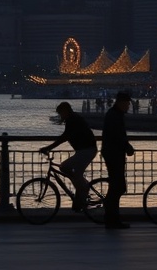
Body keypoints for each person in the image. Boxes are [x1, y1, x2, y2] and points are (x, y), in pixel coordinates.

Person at [39, 101, 98, 211]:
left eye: (61, 113)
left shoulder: (72, 120)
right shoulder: (72, 118)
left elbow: (64, 137)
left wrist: (48, 148)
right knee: (73, 173)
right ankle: (81, 191)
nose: (60, 116)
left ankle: (83, 191)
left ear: (65, 111)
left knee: (64, 167)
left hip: (86, 150)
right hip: (85, 150)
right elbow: (66, 136)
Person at [101, 91, 134, 229]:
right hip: (113, 154)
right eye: (127, 103)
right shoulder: (114, 116)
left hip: (113, 153)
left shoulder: (113, 114)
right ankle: (112, 218)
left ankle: (112, 218)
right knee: (117, 187)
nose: (128, 106)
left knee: (116, 187)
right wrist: (127, 146)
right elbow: (118, 135)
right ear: (120, 102)